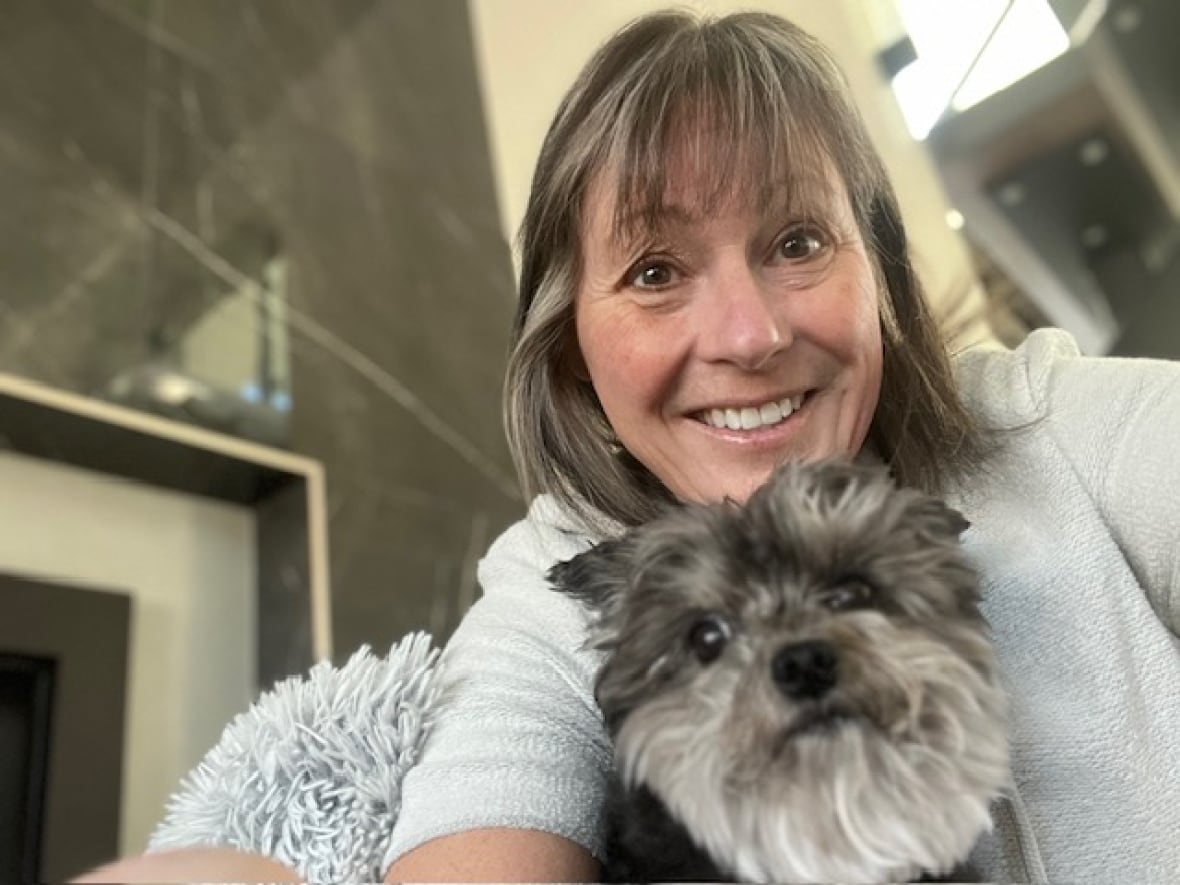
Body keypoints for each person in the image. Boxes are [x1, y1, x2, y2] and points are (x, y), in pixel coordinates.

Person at [80, 9, 1180, 883]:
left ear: (878, 280)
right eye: (655, 271)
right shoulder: (560, 587)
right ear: (572, 356)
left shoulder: (1051, 425)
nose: (750, 335)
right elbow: (486, 822)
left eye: (797, 241)